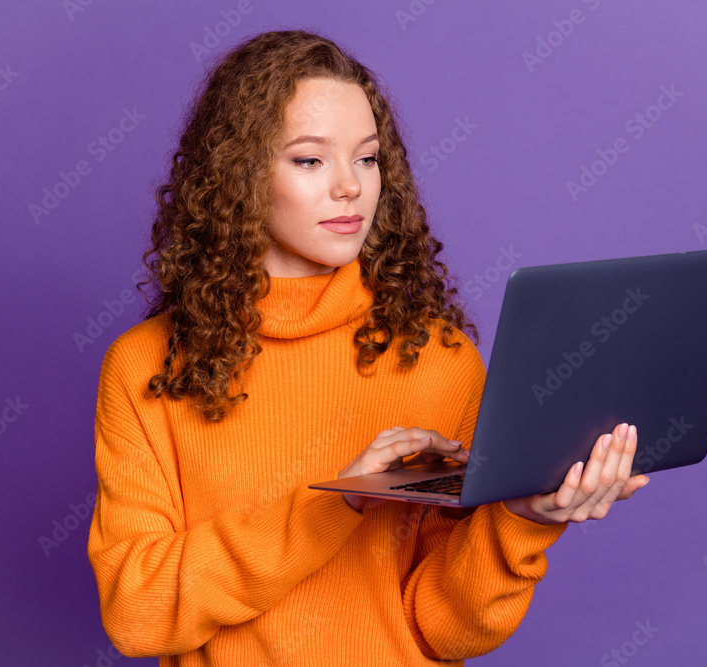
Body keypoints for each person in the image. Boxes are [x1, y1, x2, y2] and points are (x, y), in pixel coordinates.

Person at [87, 29, 649, 666]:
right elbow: (136, 616)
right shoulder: (149, 366)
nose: (350, 187)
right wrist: (340, 500)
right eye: (309, 160)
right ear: (238, 175)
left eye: (367, 158)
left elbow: (445, 629)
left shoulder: (438, 356)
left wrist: (525, 519)